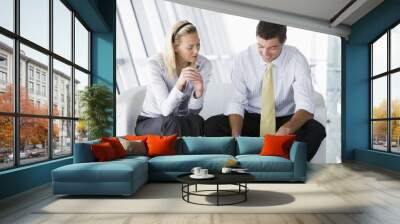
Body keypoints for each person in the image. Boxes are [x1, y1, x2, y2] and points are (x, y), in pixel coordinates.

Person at [204, 21, 326, 161]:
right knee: (213, 125)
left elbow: (306, 106)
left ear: (283, 41)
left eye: (273, 47)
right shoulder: (243, 58)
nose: (265, 53)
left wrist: (287, 129)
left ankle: (286, 167)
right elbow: (236, 101)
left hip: (284, 120)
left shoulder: (297, 59)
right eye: (260, 46)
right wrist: (235, 136)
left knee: (315, 130)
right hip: (252, 119)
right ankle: (238, 162)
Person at [135, 20, 211, 136]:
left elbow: (194, 112)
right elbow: (166, 111)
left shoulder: (204, 64)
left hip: (180, 120)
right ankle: (180, 153)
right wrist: (179, 85)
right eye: (190, 47)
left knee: (198, 121)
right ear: (175, 47)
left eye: (198, 45)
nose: (196, 51)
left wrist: (199, 92)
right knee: (172, 123)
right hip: (151, 120)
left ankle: (196, 153)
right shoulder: (155, 64)